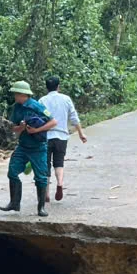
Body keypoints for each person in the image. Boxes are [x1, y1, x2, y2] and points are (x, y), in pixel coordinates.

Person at [0, 81, 57, 217]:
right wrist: (22, 127)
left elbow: (53, 122)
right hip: (23, 146)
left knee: (41, 178)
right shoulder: (16, 108)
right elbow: (13, 127)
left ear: (23, 94)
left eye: (16, 94)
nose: (15, 97)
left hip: (38, 148)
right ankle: (14, 202)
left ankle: (41, 207)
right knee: (12, 172)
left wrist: (37, 129)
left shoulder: (37, 106)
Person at [40, 75, 87, 203]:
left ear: (46, 87)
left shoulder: (42, 100)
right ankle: (60, 183)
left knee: (45, 164)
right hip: (61, 136)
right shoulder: (66, 99)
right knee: (59, 162)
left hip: (46, 136)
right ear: (58, 86)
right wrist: (81, 133)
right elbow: (73, 117)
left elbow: (37, 119)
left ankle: (46, 193)